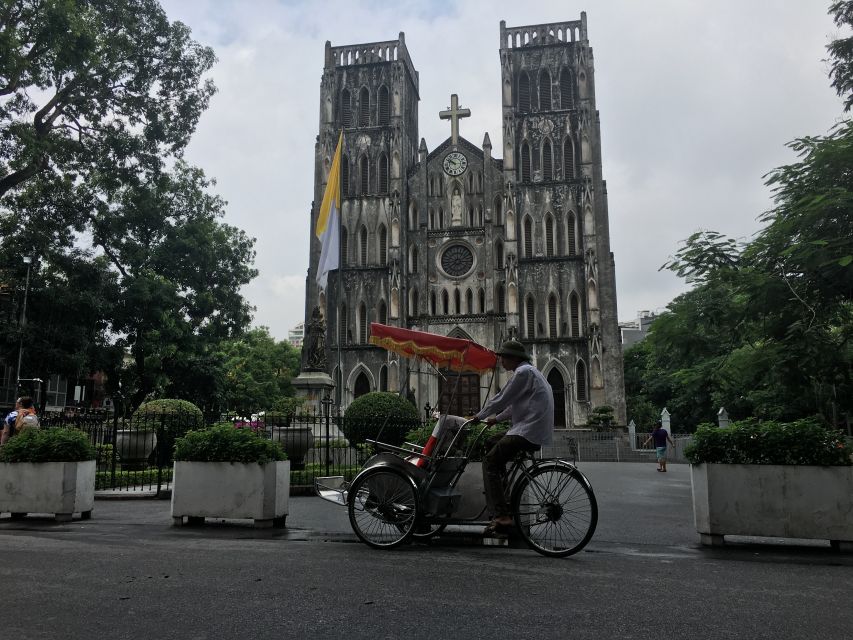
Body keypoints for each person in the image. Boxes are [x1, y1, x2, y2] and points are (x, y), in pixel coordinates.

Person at [471, 340, 553, 535]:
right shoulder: (531, 372)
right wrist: (495, 419)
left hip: (528, 431)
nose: (501, 361)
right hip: (530, 428)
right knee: (491, 442)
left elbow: (502, 398)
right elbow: (515, 406)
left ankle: (502, 515)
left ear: (515, 358)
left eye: (504, 357)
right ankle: (503, 497)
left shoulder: (523, 373)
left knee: (490, 461)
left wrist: (478, 417)